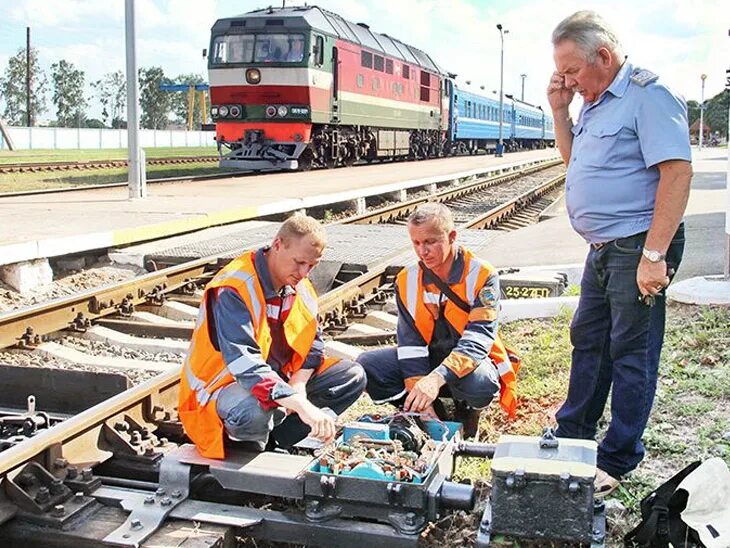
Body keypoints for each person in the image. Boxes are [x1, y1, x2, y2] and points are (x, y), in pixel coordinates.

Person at [546, 11, 692, 496]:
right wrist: (560, 110)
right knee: (589, 340)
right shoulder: (594, 102)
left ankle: (618, 456)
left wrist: (654, 254)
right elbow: (576, 162)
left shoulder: (647, 96)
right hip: (604, 248)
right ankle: (574, 434)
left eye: (572, 72)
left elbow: (676, 173)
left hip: (637, 245)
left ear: (603, 57)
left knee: (632, 351)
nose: (567, 81)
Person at [179, 214, 367, 458]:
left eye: (312, 265)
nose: (304, 272)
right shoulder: (234, 286)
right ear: (277, 244)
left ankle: (276, 443)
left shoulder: (300, 286)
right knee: (254, 410)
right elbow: (244, 363)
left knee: (351, 376)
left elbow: (312, 344)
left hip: (277, 381)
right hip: (222, 387)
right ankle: (247, 448)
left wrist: (298, 387)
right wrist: (298, 403)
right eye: (299, 262)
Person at [358, 203, 520, 438]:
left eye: (430, 242)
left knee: (481, 382)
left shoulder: (482, 274)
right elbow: (410, 342)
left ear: (452, 236)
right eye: (416, 243)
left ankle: (470, 410)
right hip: (430, 355)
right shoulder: (407, 280)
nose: (423, 251)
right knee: (368, 365)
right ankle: (420, 409)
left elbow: (477, 340)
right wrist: (419, 390)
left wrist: (436, 378)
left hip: (468, 359)